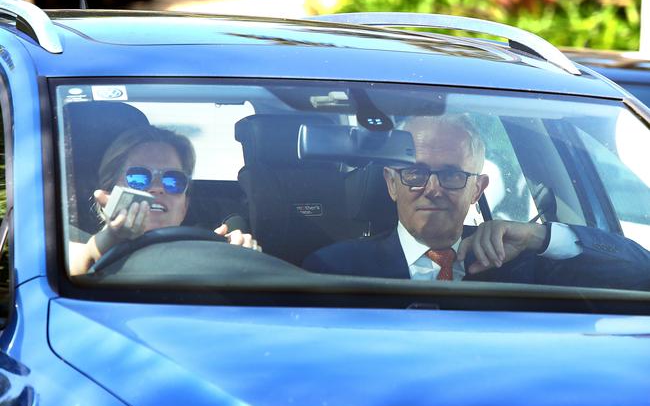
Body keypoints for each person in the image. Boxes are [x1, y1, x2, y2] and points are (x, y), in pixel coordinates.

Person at [303, 114, 650, 289]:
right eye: (415, 174)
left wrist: (537, 237)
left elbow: (641, 273)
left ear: (478, 189)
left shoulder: (521, 262)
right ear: (391, 184)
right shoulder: (337, 269)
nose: (433, 189)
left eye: (452, 175)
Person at [69, 124, 258, 275]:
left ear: (185, 205)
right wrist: (111, 240)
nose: (158, 188)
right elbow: (76, 264)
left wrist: (239, 257)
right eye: (139, 178)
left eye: (173, 181)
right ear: (108, 194)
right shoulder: (66, 245)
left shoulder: (213, 248)